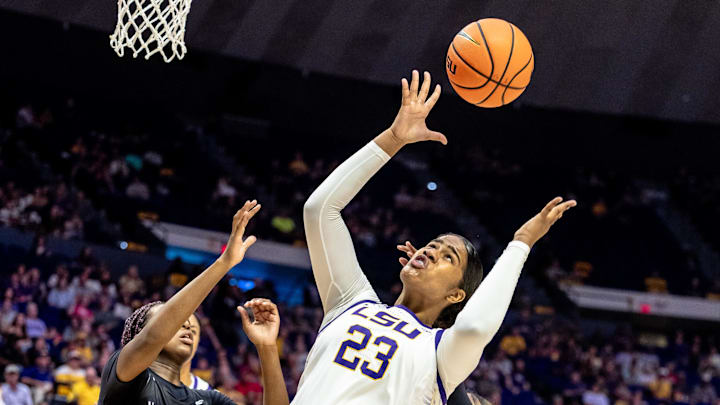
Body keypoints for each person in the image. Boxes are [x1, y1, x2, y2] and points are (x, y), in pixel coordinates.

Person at [292, 70, 576, 405]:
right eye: (433, 245)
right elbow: (319, 210)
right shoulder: (350, 301)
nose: (431, 250)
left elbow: (474, 328)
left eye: (448, 257)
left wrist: (521, 243)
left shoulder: (442, 353)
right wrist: (394, 139)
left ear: (457, 294)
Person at [97, 201, 287, 405]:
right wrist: (224, 263)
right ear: (139, 333)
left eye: (191, 325)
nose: (187, 323)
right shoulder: (123, 373)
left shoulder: (209, 399)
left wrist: (267, 347)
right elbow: (153, 337)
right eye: (177, 321)